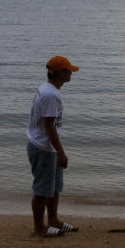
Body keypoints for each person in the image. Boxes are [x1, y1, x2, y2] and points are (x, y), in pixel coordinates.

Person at [26, 56, 81, 237]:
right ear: (59, 73)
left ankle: (53, 220)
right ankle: (39, 228)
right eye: (68, 71)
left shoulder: (48, 89)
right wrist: (61, 153)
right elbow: (49, 126)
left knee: (55, 187)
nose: (71, 73)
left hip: (48, 146)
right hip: (43, 148)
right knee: (42, 190)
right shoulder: (50, 95)